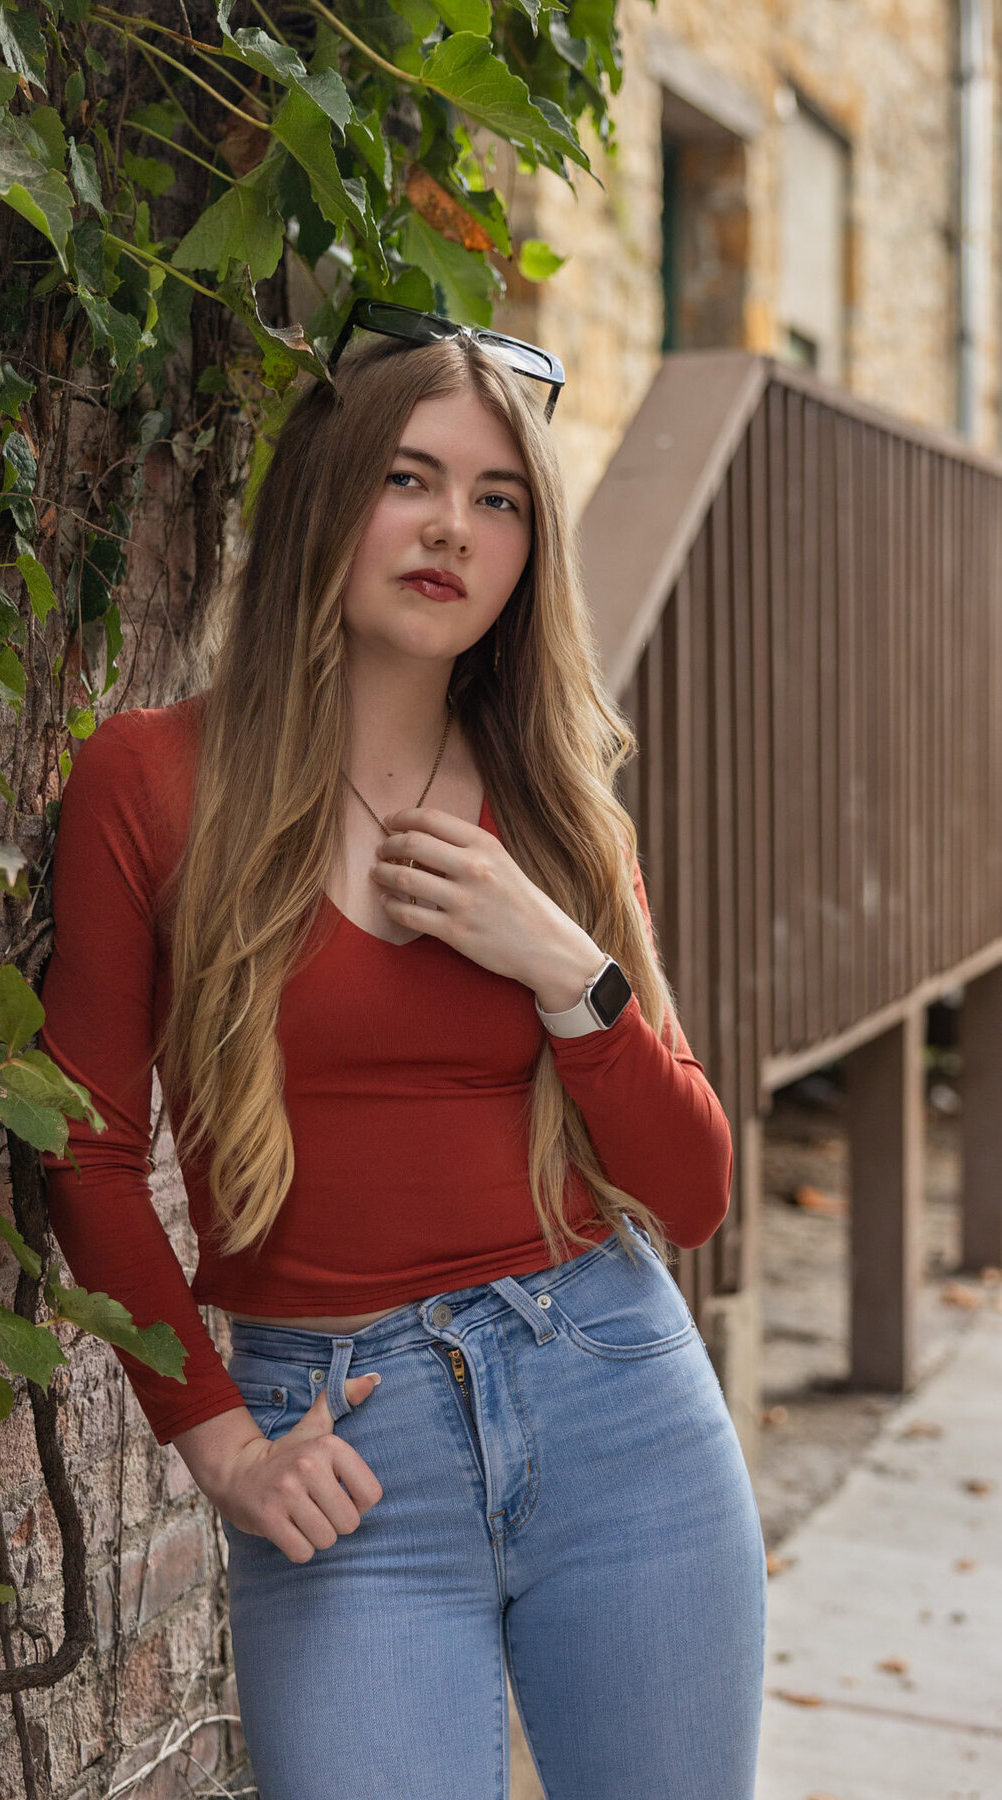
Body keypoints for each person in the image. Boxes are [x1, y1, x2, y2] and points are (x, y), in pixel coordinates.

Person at [37, 302, 766, 1800]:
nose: (454, 528)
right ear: (330, 493)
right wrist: (225, 1448)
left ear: (529, 556)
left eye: (500, 500)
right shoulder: (152, 783)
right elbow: (87, 1153)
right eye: (410, 478)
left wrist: (565, 965)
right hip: (342, 1452)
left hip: (617, 1402)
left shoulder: (559, 811)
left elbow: (691, 1194)